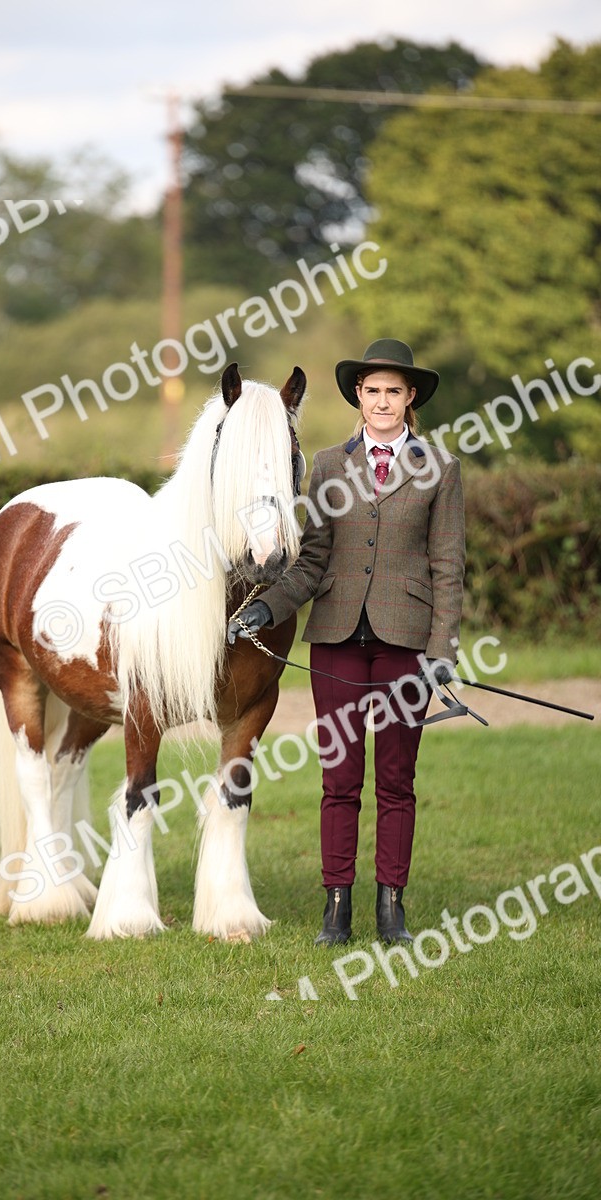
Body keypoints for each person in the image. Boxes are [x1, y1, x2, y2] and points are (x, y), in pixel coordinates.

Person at [229, 339, 465, 945]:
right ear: (358, 396)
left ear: (410, 398)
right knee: (339, 779)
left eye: (394, 391)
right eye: (372, 390)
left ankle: (392, 907)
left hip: (405, 644)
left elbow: (448, 566)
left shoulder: (440, 468)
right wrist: (261, 610)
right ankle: (337, 908)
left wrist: (441, 651)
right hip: (334, 642)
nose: (382, 401)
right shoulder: (330, 465)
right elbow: (310, 563)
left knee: (395, 779)